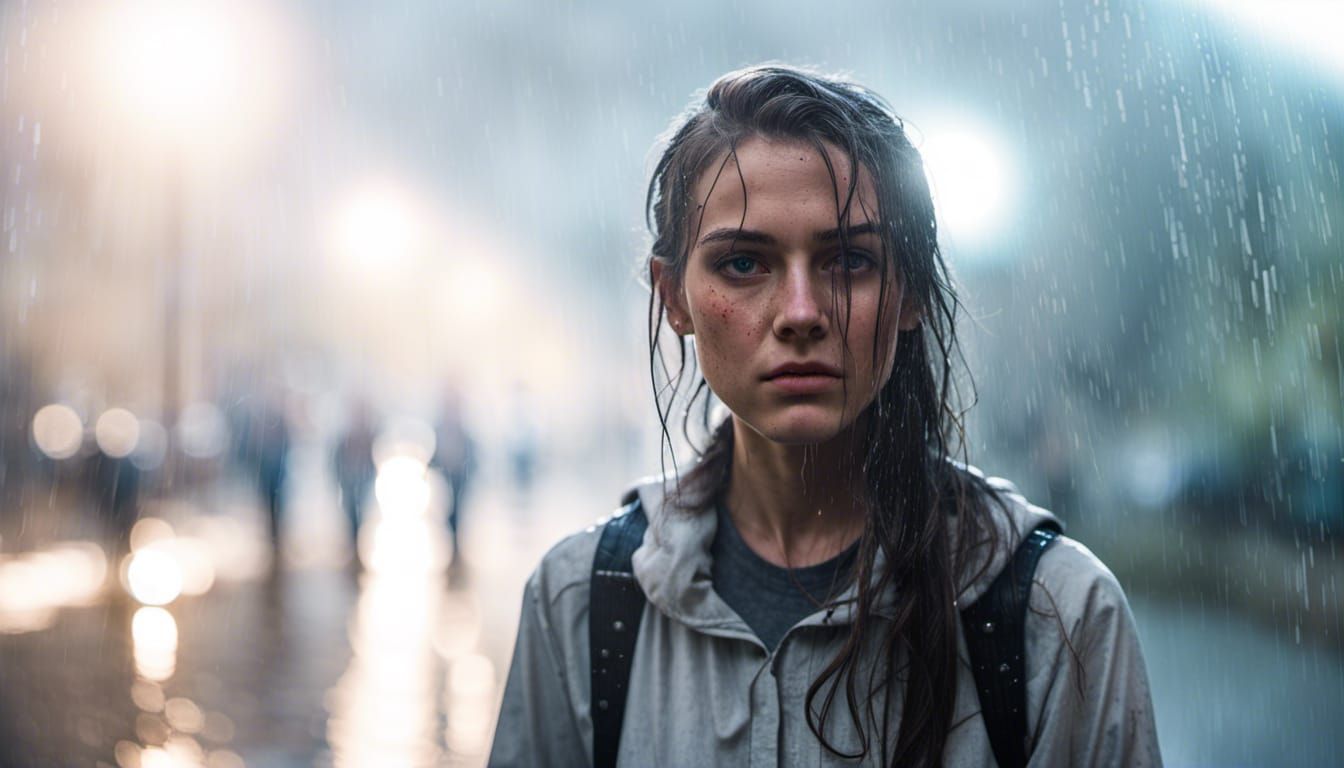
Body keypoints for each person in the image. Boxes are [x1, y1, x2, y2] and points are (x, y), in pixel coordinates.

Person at [489, 65, 1161, 767]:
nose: (802, 314)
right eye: (745, 263)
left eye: (848, 259)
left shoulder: (1056, 616)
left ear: (910, 292)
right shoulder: (583, 606)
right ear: (674, 298)